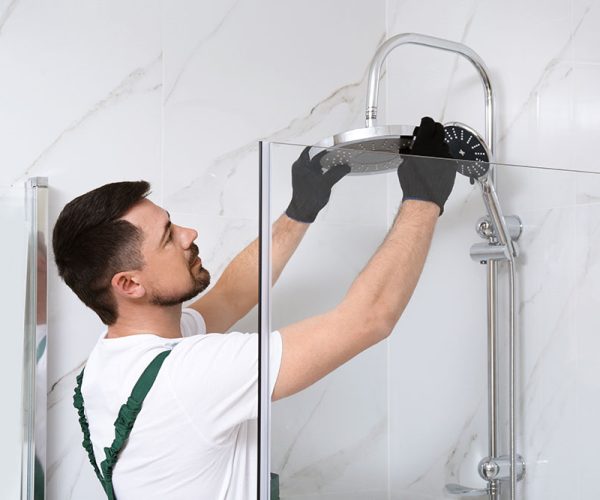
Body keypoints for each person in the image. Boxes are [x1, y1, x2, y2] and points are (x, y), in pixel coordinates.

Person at [52, 117, 455, 500]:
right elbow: (368, 318)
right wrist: (424, 200)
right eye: (168, 237)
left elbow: (231, 295)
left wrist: (301, 208)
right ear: (129, 284)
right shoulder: (187, 376)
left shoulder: (117, 360)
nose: (189, 234)